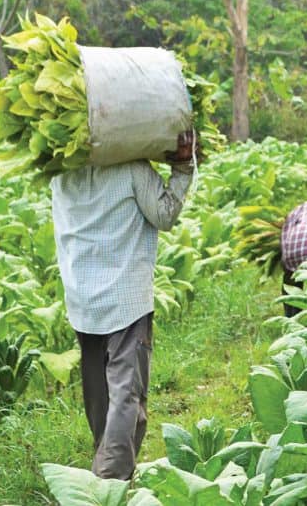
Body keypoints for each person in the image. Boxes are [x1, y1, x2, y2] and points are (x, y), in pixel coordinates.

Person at [51, 132, 198, 479]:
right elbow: (164, 214)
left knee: (98, 394)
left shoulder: (60, 175)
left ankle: (108, 463)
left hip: (82, 299)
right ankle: (108, 482)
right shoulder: (132, 169)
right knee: (126, 394)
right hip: (125, 298)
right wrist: (182, 168)